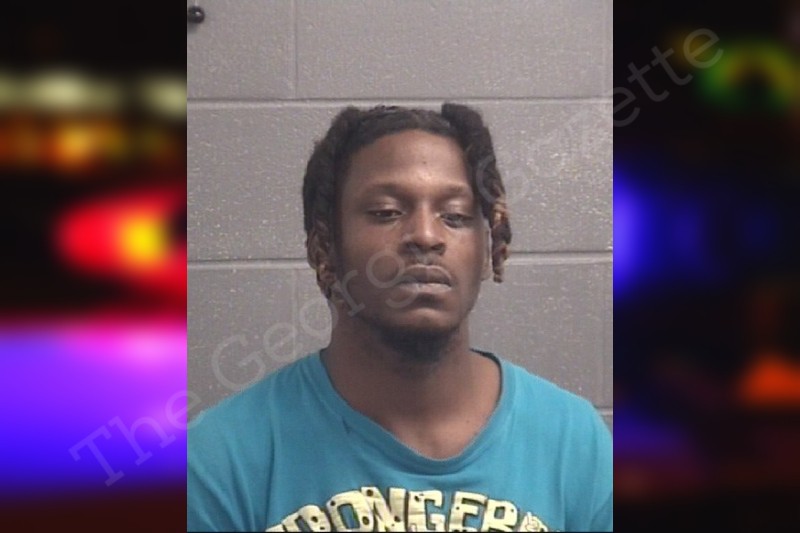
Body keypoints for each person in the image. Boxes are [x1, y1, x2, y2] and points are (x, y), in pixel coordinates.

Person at [187, 103, 613, 532]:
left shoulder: (574, 443)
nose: (426, 236)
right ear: (324, 245)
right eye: (386, 212)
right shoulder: (223, 458)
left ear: (487, 249)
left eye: (455, 216)